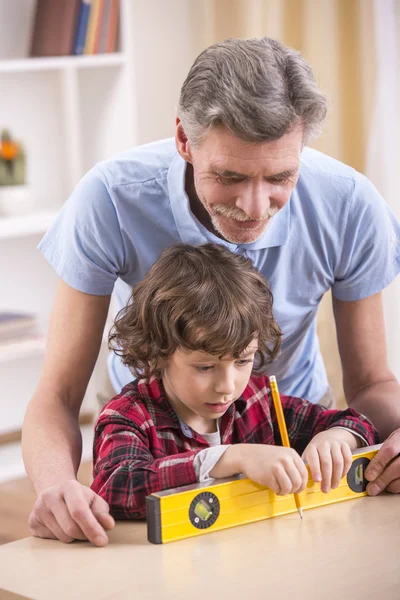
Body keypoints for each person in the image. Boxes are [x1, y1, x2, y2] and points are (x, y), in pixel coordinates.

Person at [23, 37, 400, 546]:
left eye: (280, 177)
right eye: (229, 176)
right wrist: (58, 488)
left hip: (288, 436)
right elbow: (60, 394)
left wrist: (364, 438)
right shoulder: (109, 198)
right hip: (157, 441)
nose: (254, 205)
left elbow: (373, 385)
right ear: (184, 139)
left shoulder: (351, 205)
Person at [91, 243, 379, 518]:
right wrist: (230, 458)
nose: (227, 387)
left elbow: (358, 422)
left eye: (242, 361)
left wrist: (337, 437)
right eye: (205, 367)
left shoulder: (258, 401)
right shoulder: (128, 416)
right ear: (159, 352)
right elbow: (115, 488)